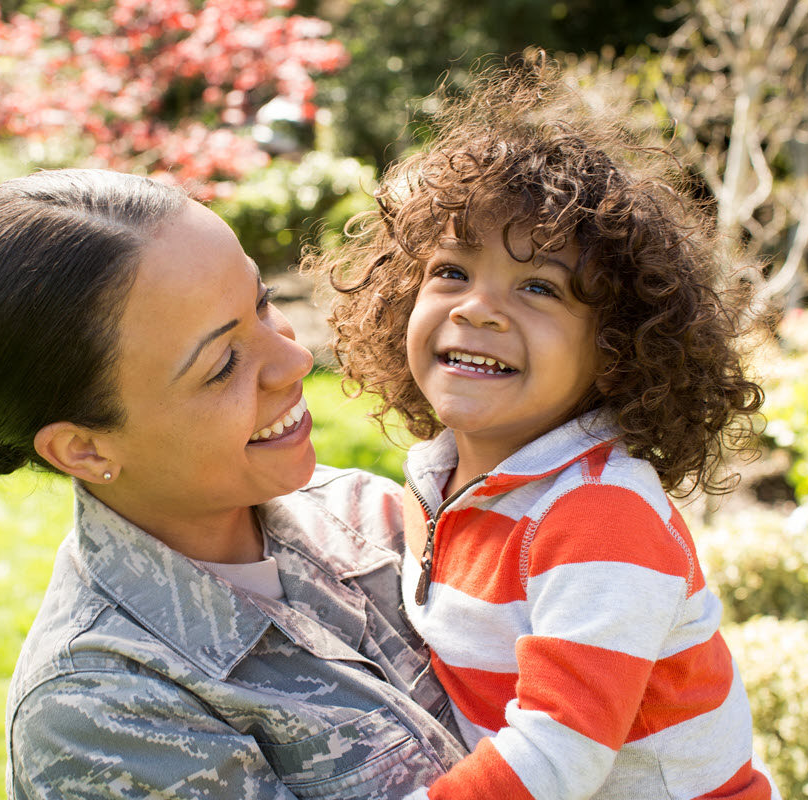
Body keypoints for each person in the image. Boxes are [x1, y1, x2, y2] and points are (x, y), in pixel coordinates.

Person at [311, 56, 781, 800]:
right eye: (452, 273)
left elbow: (557, 756)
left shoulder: (601, 516)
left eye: (539, 287)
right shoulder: (447, 479)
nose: (479, 308)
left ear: (620, 347)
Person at [0, 168, 466, 799]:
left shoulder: (367, 513)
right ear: (83, 447)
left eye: (261, 301)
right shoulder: (103, 717)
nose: (294, 359)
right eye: (223, 364)